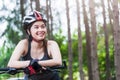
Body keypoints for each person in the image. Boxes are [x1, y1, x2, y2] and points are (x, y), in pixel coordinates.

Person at [7, 10, 62, 80]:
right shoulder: (24, 44)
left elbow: (58, 61)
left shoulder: (51, 44)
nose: (41, 30)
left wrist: (37, 63)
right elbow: (11, 63)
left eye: (43, 26)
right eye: (36, 27)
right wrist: (31, 63)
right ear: (28, 31)